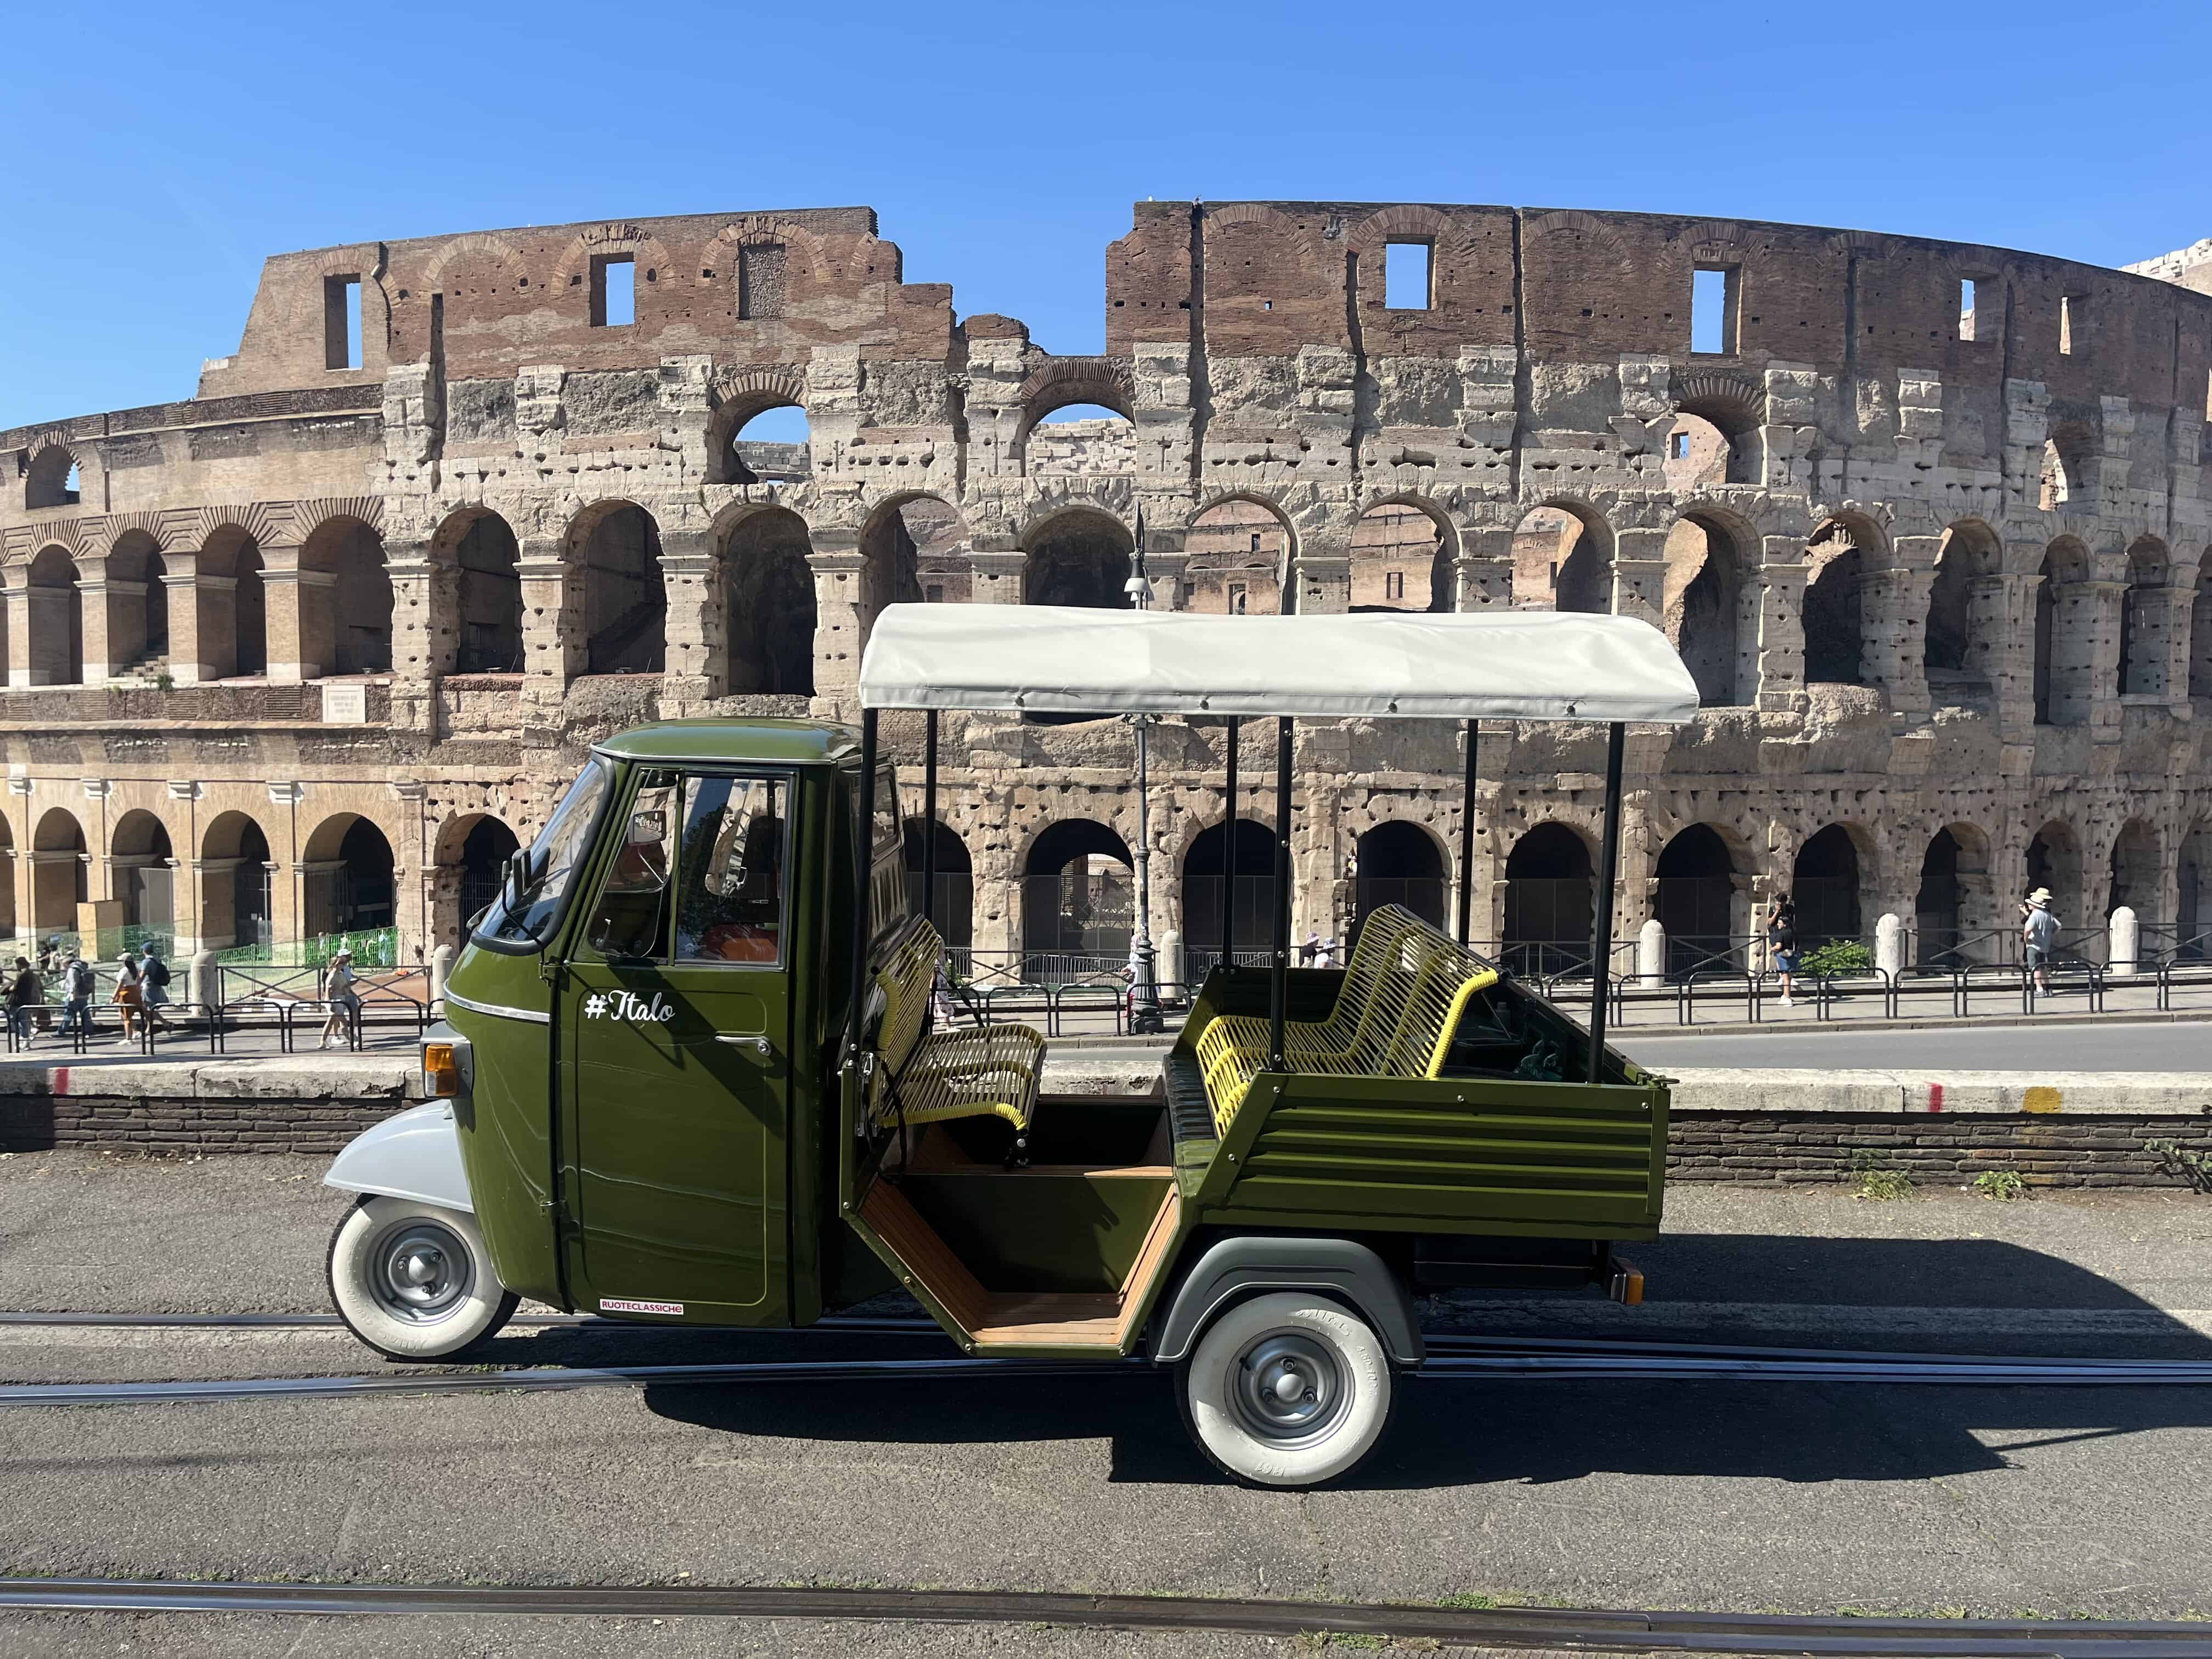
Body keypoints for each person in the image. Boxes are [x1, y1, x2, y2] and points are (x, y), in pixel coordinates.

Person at [2022, 887, 2060, 996]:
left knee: (2035, 968)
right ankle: (2048, 988)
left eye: (2029, 904)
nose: (2028, 905)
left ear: (2033, 905)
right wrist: (2050, 934)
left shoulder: (2034, 916)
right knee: (2043, 967)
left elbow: (2028, 929)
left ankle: (2039, 989)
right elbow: (2059, 926)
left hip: (2034, 945)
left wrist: (2026, 939)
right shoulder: (2047, 915)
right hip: (2044, 946)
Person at [320, 949, 361, 1049]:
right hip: (335, 1001)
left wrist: (355, 996)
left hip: (340, 1000)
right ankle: (353, 1040)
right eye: (341, 963)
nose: (343, 964)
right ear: (335, 965)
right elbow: (328, 992)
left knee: (331, 1022)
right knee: (343, 1021)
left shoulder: (340, 975)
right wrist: (330, 1005)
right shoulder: (332, 976)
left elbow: (346, 987)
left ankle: (322, 1042)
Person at [1767, 895, 1799, 1007]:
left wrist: (1772, 949)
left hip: (1785, 939)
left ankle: (1787, 997)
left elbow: (1779, 946)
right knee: (1787, 974)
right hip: (1777, 935)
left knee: (1786, 974)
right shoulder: (1773, 909)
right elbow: (1770, 922)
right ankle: (1786, 993)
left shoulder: (1790, 909)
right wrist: (1777, 911)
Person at [138, 940, 173, 1035]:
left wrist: (137, 986)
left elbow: (142, 975)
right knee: (149, 1009)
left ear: (144, 951)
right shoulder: (157, 959)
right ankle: (149, 1029)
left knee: (147, 1009)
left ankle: (166, 1023)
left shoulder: (146, 962)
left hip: (148, 988)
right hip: (156, 986)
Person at [6, 956, 40, 1047]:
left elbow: (15, 987)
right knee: (24, 1021)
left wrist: (8, 988)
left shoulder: (21, 974)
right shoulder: (31, 973)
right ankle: (26, 1040)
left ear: (20, 964)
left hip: (18, 1001)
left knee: (18, 1021)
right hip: (27, 1000)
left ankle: (23, 1040)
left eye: (17, 964)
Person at [59, 952, 94, 1040]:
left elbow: (73, 984)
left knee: (68, 1014)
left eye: (64, 965)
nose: (63, 967)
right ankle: (89, 1031)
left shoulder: (72, 970)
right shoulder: (83, 968)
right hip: (84, 995)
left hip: (74, 996)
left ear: (67, 963)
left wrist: (72, 997)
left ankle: (61, 1031)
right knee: (86, 1015)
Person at [112, 950, 144, 1041]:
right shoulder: (136, 969)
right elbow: (138, 982)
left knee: (126, 1017)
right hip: (135, 992)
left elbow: (120, 985)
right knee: (129, 1015)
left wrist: (113, 997)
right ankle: (135, 1032)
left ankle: (128, 1039)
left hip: (126, 993)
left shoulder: (124, 971)